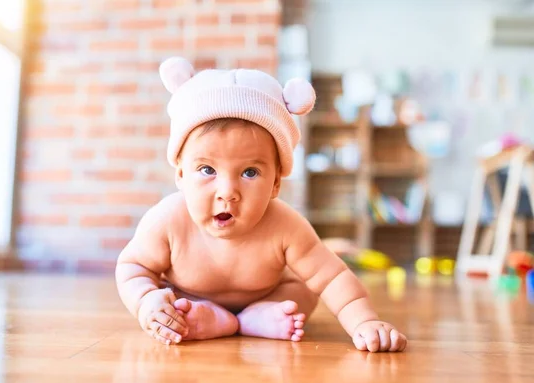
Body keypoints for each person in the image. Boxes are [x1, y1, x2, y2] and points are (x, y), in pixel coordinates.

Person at [115, 57, 407, 352]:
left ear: (276, 183)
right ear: (180, 174)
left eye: (250, 172)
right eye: (207, 170)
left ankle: (257, 316)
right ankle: (212, 318)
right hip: (186, 299)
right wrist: (146, 301)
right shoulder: (167, 220)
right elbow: (133, 267)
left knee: (302, 289)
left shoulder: (286, 226)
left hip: (271, 297)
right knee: (169, 298)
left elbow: (333, 277)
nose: (227, 192)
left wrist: (364, 322)